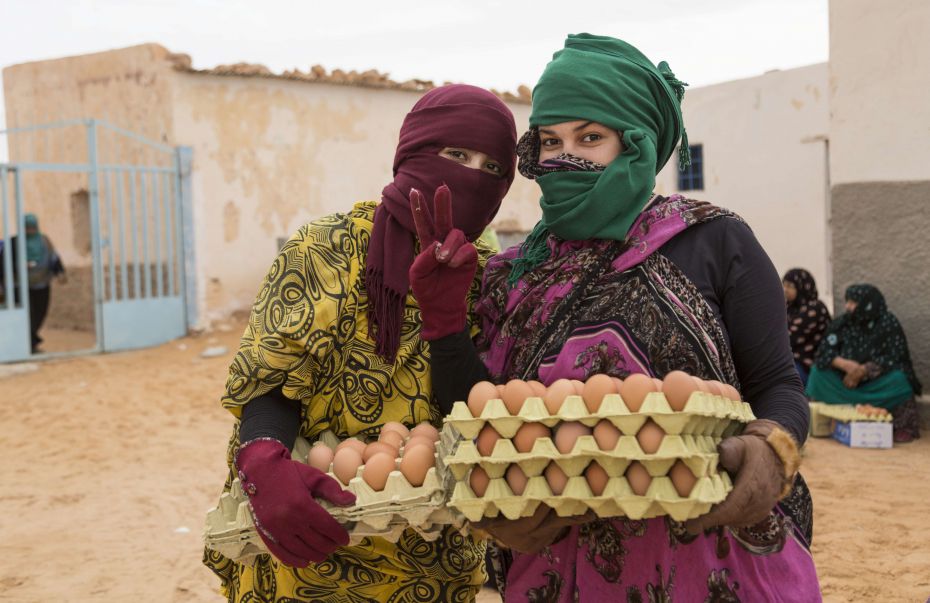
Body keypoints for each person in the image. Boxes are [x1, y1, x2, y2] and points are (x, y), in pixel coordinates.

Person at [416, 34, 820, 601]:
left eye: (590, 137)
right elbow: (482, 415)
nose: (565, 157)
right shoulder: (513, 274)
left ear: (636, 143)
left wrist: (771, 449)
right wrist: (444, 325)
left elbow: (777, 381)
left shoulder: (713, 240)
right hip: (559, 570)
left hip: (712, 559)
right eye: (551, 140)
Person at [202, 84, 518, 602]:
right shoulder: (325, 249)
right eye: (456, 155)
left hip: (430, 546)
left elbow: (476, 409)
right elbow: (274, 379)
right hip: (313, 537)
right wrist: (262, 457)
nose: (470, 177)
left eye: (492, 170)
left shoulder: (490, 271)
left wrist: (445, 323)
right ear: (414, 152)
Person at [806, 284, 922, 443]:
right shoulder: (843, 323)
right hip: (845, 383)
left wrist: (865, 369)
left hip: (876, 385)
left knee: (900, 380)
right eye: (847, 301)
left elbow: (896, 357)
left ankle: (901, 426)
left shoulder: (888, 323)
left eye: (853, 302)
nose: (848, 306)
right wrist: (843, 364)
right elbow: (823, 352)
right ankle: (821, 422)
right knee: (817, 374)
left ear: (867, 304)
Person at [0, 213, 66, 352]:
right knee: (27, 314)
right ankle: (29, 344)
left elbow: (53, 257)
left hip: (42, 284)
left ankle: (31, 340)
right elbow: (4, 262)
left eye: (32, 227)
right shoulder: (14, 242)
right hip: (20, 285)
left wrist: (60, 272)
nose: (30, 230)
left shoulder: (44, 241)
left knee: (40, 313)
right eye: (27, 228)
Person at [783, 268, 831, 385]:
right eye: (783, 285)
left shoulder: (814, 308)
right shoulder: (790, 308)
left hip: (807, 365)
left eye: (789, 286)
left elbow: (788, 338)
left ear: (801, 287)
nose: (785, 289)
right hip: (790, 360)